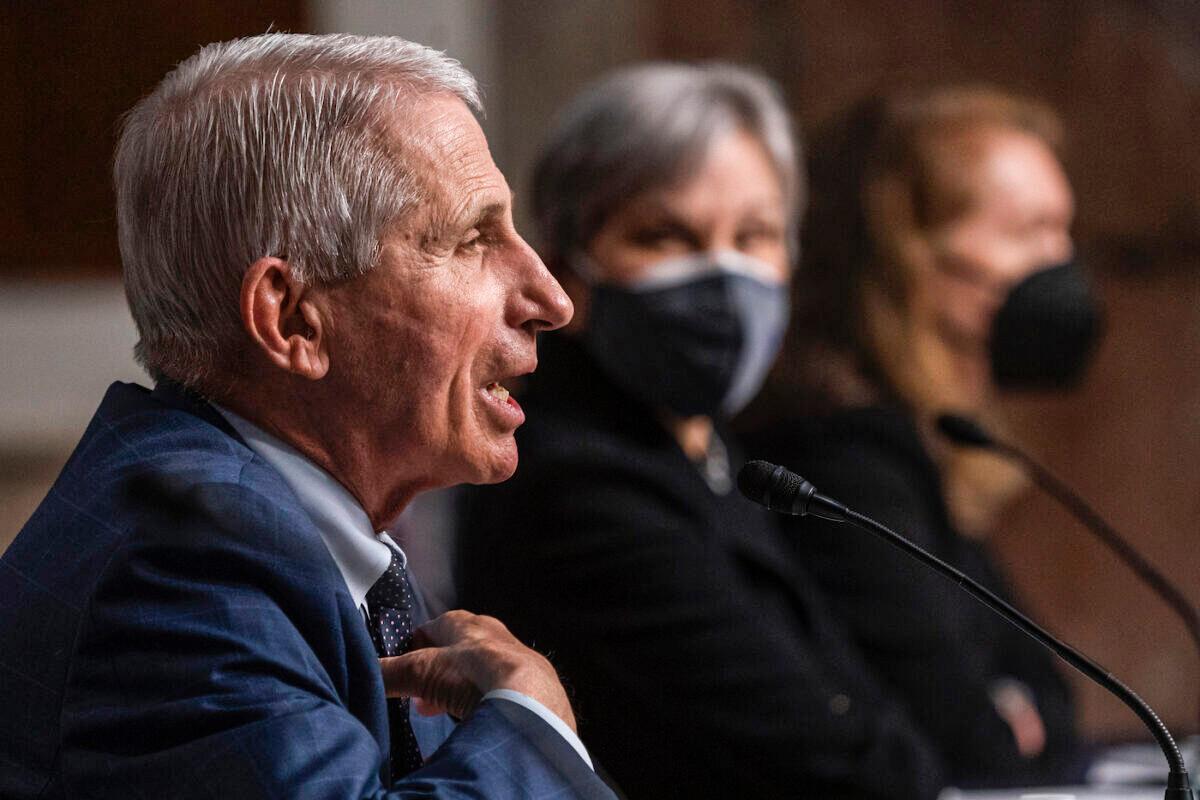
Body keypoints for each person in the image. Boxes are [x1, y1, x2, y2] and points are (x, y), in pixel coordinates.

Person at [0, 33, 617, 800]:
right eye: (472, 240)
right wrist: (535, 726)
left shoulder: (292, 532)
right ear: (293, 320)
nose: (552, 300)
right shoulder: (183, 561)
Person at [458, 63, 946, 799]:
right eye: (667, 235)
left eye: (755, 234)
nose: (724, 276)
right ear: (564, 271)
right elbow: (849, 769)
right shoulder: (577, 485)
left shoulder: (712, 455)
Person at [743, 86, 1099, 787]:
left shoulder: (921, 442)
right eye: (1028, 231)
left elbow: (1053, 704)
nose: (1061, 261)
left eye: (1065, 231)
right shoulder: (841, 457)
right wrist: (1000, 708)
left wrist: (1015, 703)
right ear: (907, 252)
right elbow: (973, 742)